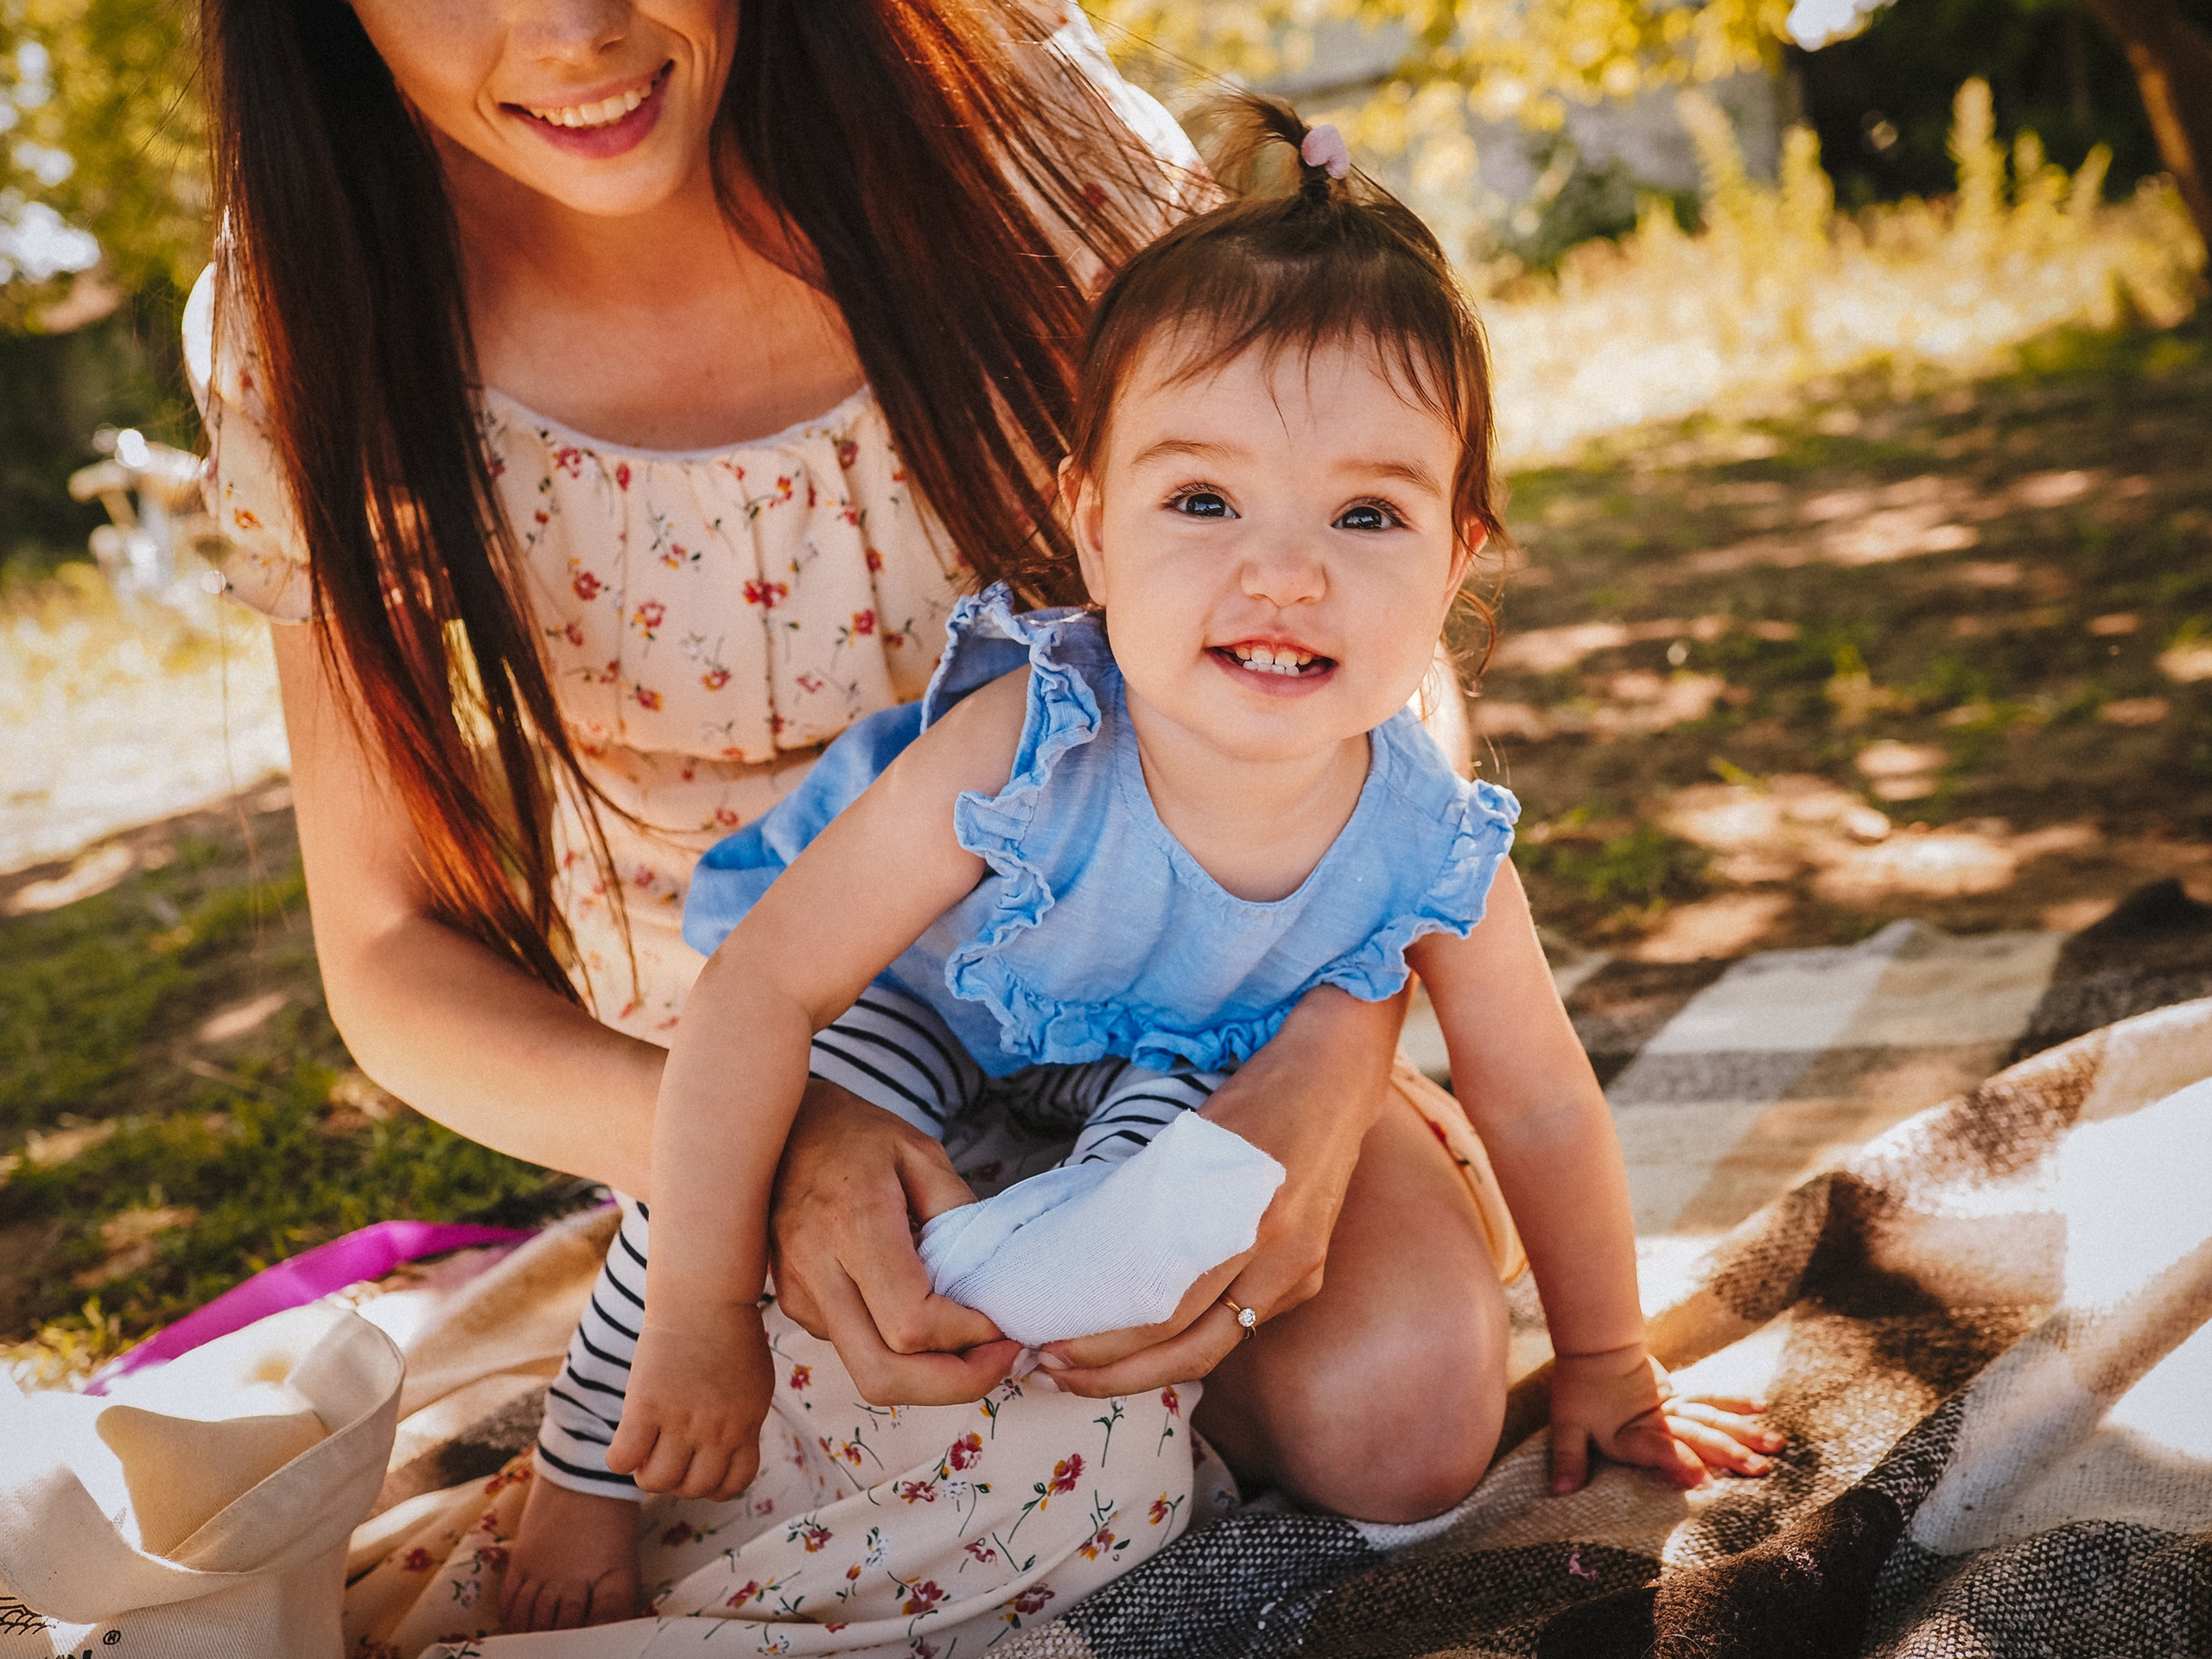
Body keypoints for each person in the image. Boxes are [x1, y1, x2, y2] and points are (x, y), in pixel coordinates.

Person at [185, 0, 1770, 1641]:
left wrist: (1330, 1068)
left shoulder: (1002, 121)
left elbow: (1347, 686)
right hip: (783, 1039)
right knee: (746, 1299)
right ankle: (651, 1446)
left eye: (1372, 525)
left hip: (1223, 1004)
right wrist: (767, 1165)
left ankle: (1112, 1395)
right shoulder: (321, 299)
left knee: (1401, 1416)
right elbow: (444, 961)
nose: (575, 26)